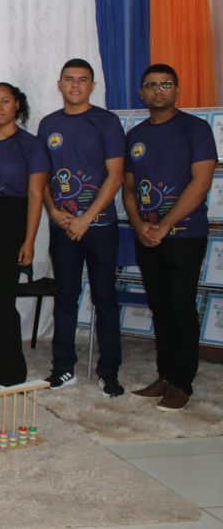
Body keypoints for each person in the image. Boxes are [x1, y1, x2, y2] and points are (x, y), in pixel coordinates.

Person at [122, 64, 215, 412]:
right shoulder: (135, 135)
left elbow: (201, 184)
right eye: (151, 85)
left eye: (165, 84)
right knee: (160, 307)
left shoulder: (196, 128)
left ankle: (182, 383)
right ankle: (166, 374)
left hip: (185, 236)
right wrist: (138, 224)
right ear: (141, 93)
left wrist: (164, 225)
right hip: (147, 236)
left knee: (180, 306)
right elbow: (128, 188)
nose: (158, 90)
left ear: (177, 90)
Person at [37, 58, 126, 396]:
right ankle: (63, 368)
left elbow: (116, 175)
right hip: (62, 227)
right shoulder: (48, 124)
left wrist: (86, 218)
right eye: (69, 79)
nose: (75, 85)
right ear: (59, 84)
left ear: (92, 86)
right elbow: (42, 177)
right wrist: (53, 211)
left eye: (82, 79)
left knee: (105, 297)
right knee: (65, 296)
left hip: (99, 227)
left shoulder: (106, 122)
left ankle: (109, 371)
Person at [0, 83, 50, 388]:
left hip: (11, 220)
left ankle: (10, 374)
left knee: (0, 300)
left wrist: (29, 240)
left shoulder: (30, 145)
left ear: (17, 105)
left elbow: (36, 194)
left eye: (4, 101)